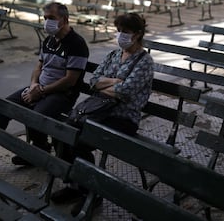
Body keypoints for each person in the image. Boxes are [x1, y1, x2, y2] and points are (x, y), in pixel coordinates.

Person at [51, 12, 154, 216]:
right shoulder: (114, 55)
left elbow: (125, 92)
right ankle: (75, 186)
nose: (121, 35)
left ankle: (92, 193)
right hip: (99, 111)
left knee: (79, 141)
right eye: (119, 31)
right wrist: (114, 83)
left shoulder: (145, 61)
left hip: (123, 119)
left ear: (138, 34)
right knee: (62, 133)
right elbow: (93, 81)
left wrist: (106, 85)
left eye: (125, 32)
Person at [0, 2, 89, 169]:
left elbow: (70, 80)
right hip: (38, 88)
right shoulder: (49, 40)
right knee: (1, 108)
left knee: (35, 114)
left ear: (65, 19)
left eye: (52, 18)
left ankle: (39, 151)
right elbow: (39, 67)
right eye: (45, 18)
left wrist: (41, 91)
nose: (47, 22)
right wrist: (33, 85)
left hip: (62, 94)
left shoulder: (77, 44)